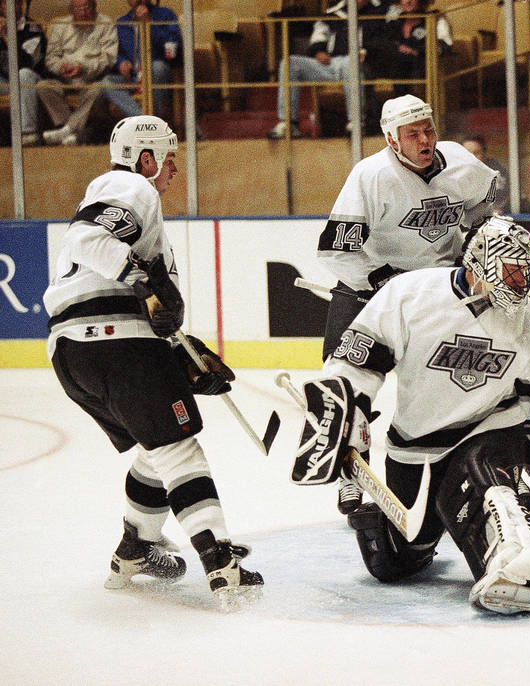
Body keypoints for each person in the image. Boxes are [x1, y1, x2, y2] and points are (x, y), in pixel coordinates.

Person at [293, 216, 530, 614]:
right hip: (416, 447)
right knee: (394, 562)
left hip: (489, 427)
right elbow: (358, 363)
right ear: (480, 265)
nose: (521, 283)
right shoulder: (410, 294)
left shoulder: (523, 321)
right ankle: (424, 538)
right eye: (512, 270)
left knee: (487, 478)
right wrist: (345, 418)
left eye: (526, 272)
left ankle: (518, 561)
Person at [42, 115, 263, 606]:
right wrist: (142, 284)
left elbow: (144, 295)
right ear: (146, 158)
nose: (172, 172)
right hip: (114, 343)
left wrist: (177, 353)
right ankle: (220, 563)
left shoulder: (132, 205)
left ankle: (137, 546)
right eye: (168, 160)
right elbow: (87, 239)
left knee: (154, 446)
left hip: (75, 352)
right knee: (180, 449)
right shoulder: (129, 185)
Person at [316, 93, 499, 516]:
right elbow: (336, 252)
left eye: (428, 129)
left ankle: (455, 461)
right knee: (345, 389)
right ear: (392, 139)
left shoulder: (460, 163)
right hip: (369, 291)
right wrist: (385, 281)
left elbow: (483, 204)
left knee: (449, 380)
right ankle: (349, 474)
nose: (424, 139)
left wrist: (473, 240)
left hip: (438, 290)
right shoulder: (371, 176)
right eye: (412, 133)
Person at [266, 0, 388, 140]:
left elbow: (386, 40)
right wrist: (318, 51)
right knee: (290, 63)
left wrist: (368, 51)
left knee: (350, 62)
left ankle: (356, 123)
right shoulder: (334, 12)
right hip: (332, 63)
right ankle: (288, 123)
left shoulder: (380, 10)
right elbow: (319, 34)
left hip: (365, 64)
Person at [37, 0, 117, 146]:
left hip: (91, 78)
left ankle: (66, 130)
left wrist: (84, 67)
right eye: (78, 8)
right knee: (43, 86)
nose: (83, 12)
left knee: (100, 88)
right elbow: (51, 58)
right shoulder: (60, 25)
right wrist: (61, 67)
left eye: (86, 7)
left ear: (94, 6)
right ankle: (71, 129)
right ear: (71, 10)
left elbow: (109, 58)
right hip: (65, 80)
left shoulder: (105, 24)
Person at [102, 0, 182, 121]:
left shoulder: (166, 15)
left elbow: (172, 51)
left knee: (157, 67)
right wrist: (121, 62)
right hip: (133, 76)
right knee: (107, 82)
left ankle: (155, 119)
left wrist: (150, 23)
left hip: (158, 75)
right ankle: (143, 120)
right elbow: (115, 52)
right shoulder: (121, 22)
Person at [367, 0, 451, 93]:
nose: (407, 1)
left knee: (400, 61)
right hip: (393, 66)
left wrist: (416, 51)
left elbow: (444, 46)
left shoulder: (435, 18)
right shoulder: (394, 20)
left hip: (422, 67)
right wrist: (397, 48)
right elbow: (379, 41)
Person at [0, 0, 47, 145]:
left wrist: (8, 38)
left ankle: (28, 133)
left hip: (31, 79)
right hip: (4, 82)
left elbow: (26, 64)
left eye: (16, 3)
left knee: (23, 75)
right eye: (5, 3)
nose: (12, 7)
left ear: (21, 5)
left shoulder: (32, 29)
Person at [462, 134, 510, 213]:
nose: (472, 157)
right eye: (467, 152)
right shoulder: (454, 171)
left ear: (484, 154)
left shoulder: (496, 171)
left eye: (476, 153)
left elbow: (499, 203)